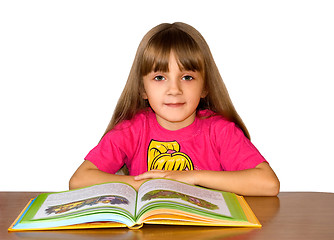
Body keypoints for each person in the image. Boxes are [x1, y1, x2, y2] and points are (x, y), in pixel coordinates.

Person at [69, 22, 280, 196]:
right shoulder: (132, 130)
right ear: (143, 89)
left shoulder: (220, 131)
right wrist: (149, 184)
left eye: (187, 77)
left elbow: (268, 184)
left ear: (205, 86)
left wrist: (191, 177)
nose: (174, 90)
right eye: (159, 77)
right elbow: (80, 179)